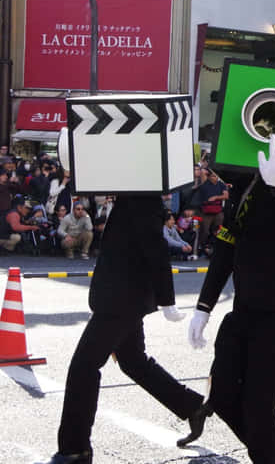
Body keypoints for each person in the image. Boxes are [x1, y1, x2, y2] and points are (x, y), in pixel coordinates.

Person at [185, 135, 275, 463]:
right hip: (244, 309)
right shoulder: (243, 184)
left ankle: (269, 454)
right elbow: (226, 245)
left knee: (259, 405)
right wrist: (204, 306)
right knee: (221, 394)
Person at [47, 196, 207, 464]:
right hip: (123, 296)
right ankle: (191, 406)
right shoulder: (129, 194)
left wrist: (167, 300)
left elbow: (156, 249)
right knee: (133, 361)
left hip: (121, 299)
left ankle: (75, 450)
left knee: (84, 367)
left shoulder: (140, 197)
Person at [192, 169, 229, 252]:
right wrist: (211, 170)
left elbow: (226, 196)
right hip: (206, 212)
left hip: (218, 211)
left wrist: (216, 197)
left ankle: (217, 247)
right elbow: (202, 171)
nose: (215, 177)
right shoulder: (205, 183)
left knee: (219, 230)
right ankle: (202, 247)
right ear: (209, 177)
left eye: (216, 176)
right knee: (204, 231)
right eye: (213, 176)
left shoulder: (221, 184)